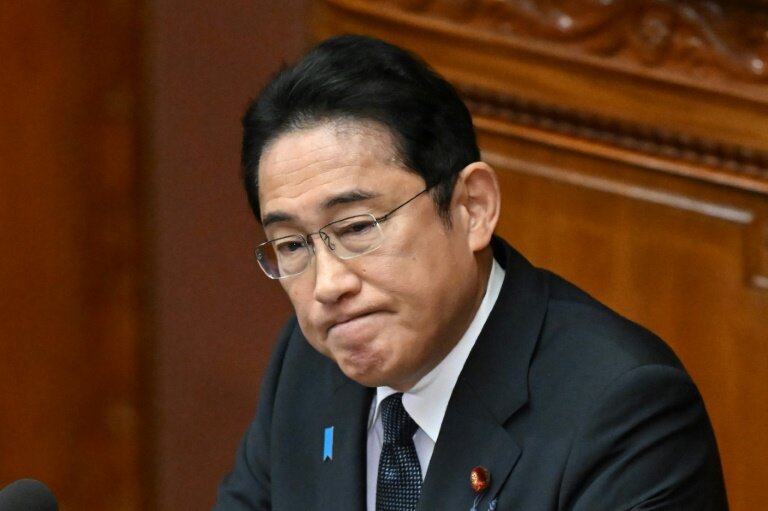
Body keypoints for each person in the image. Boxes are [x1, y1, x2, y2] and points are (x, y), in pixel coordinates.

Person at [213, 34, 727, 510]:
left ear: (472, 208)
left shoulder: (624, 411)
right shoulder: (307, 363)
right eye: (293, 245)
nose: (327, 286)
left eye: (357, 228)